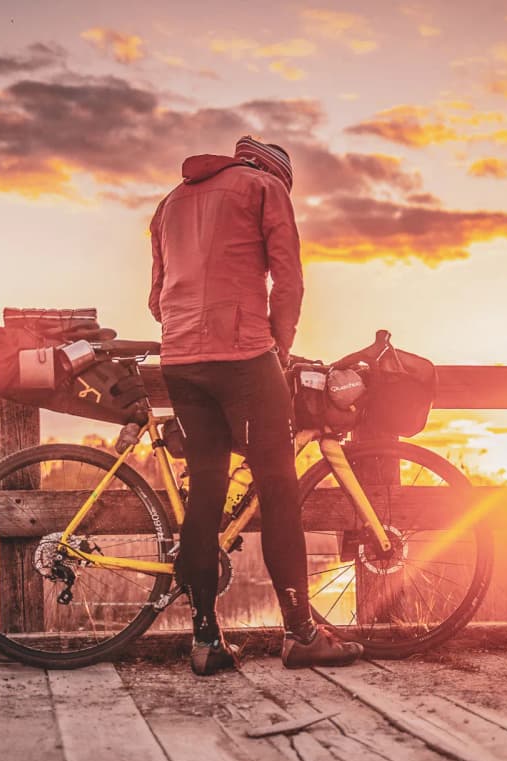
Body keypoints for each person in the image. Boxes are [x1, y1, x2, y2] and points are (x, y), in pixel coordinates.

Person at [149, 135, 365, 675]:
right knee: (278, 489)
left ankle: (206, 640)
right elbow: (286, 278)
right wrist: (278, 347)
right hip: (244, 355)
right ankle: (301, 633)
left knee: (205, 491)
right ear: (278, 173)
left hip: (180, 361)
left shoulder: (170, 202)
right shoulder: (265, 187)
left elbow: (156, 299)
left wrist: (188, 331)